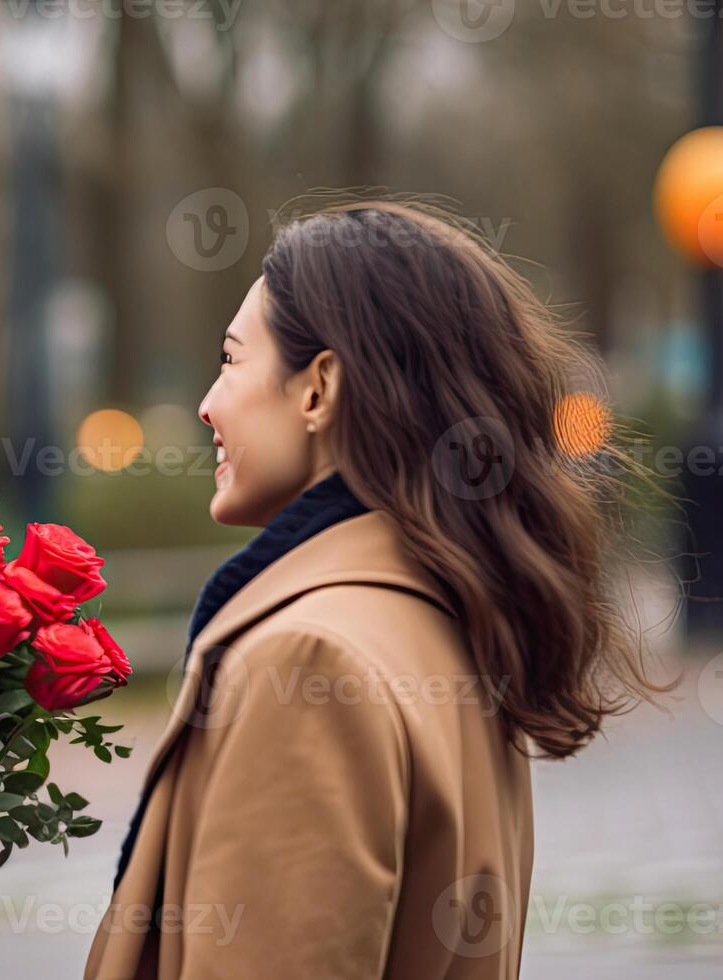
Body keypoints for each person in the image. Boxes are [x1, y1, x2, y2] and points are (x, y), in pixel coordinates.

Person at [86, 200, 663, 978]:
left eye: (229, 360)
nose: (206, 403)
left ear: (318, 387)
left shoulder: (308, 660)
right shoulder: (451, 620)